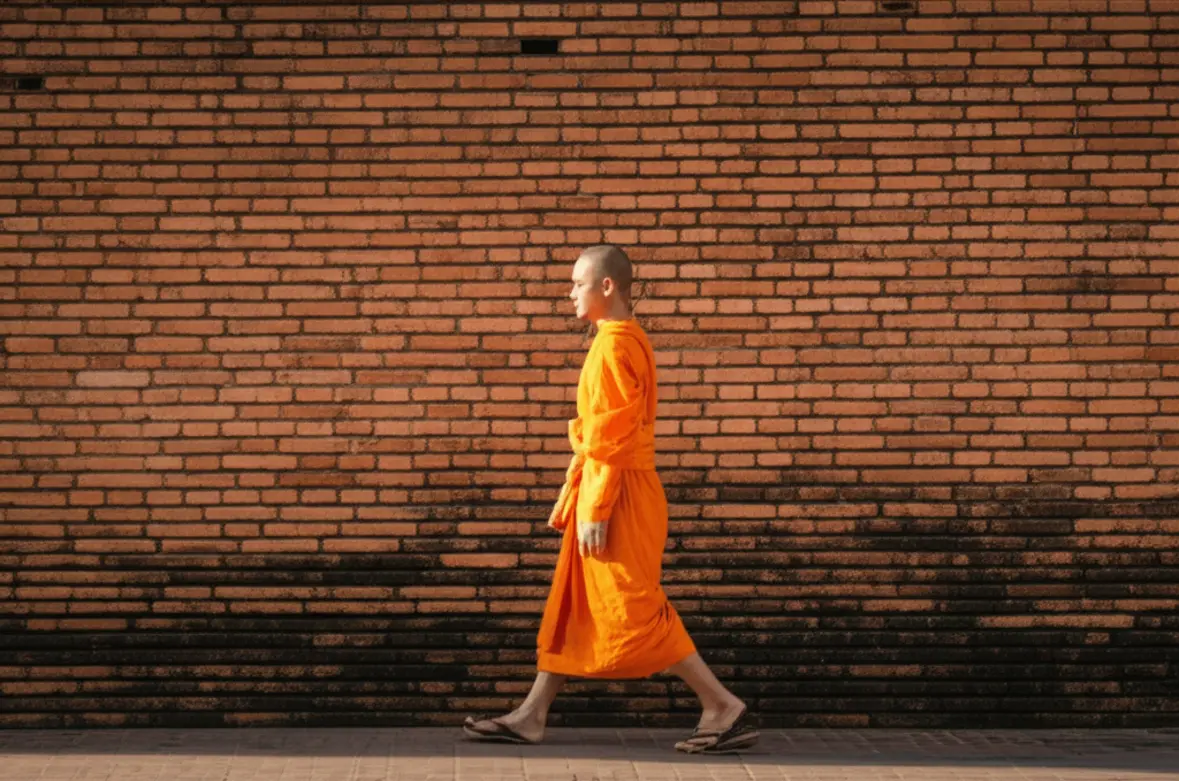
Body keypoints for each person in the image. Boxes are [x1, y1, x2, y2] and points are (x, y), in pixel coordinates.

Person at [462, 245, 759, 754]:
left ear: (606, 287)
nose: (570, 292)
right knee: (578, 603)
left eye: (578, 283)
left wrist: (596, 505)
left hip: (617, 492)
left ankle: (721, 705)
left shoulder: (616, 346)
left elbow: (613, 433)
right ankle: (532, 714)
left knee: (633, 604)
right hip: (612, 484)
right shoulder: (620, 339)